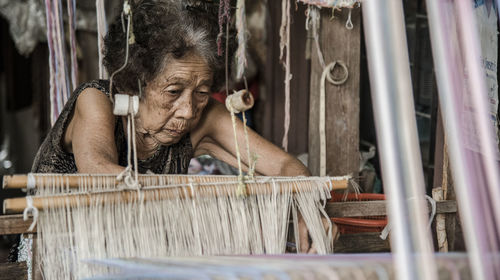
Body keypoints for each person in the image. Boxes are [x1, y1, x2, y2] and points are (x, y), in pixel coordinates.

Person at [31, 0, 328, 253]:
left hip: (139, 255)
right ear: (137, 83)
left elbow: (286, 167)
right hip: (61, 252)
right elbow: (98, 170)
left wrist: (308, 209)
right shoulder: (96, 101)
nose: (187, 111)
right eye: (173, 92)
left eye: (201, 92)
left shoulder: (204, 117)